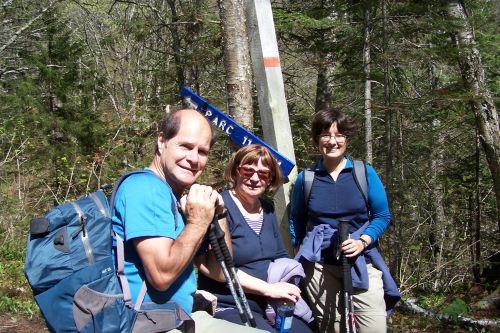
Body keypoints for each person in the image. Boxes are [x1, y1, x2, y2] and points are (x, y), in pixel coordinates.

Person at [112, 109, 266, 333]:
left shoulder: (173, 198)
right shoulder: (145, 189)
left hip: (178, 318)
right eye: (185, 146)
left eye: (202, 151)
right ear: (162, 141)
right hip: (148, 323)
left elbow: (221, 272)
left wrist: (219, 214)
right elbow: (162, 276)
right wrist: (198, 222)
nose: (194, 159)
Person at [289, 108, 400, 333]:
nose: (332, 141)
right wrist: (298, 249)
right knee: (332, 328)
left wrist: (363, 240)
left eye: (339, 135)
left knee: (373, 327)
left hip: (362, 262)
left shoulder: (364, 173)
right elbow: (296, 219)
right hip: (319, 268)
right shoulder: (306, 179)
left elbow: (382, 215)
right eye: (325, 135)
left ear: (346, 139)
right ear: (316, 139)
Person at [198, 144, 314, 333]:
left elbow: (279, 254)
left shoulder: (267, 209)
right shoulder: (219, 207)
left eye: (263, 174)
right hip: (231, 303)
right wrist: (268, 288)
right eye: (248, 170)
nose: (254, 178)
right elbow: (209, 267)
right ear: (236, 171)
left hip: (270, 303)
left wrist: (286, 283)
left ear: (270, 179)